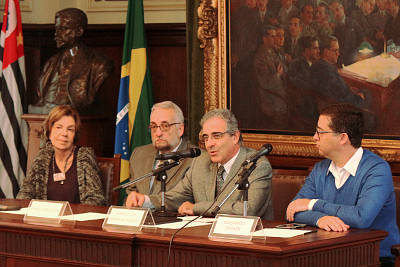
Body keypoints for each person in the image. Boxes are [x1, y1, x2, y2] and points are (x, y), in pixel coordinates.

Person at [286, 103, 400, 266]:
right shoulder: (320, 169)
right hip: (328, 256)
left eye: (320, 132)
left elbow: (361, 218)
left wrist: (313, 204)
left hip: (374, 258)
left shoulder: (377, 169)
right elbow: (293, 211)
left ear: (343, 138)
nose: (314, 137)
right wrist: (320, 219)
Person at [126, 109, 273, 219]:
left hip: (248, 244)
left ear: (235, 137)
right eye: (206, 138)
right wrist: (146, 200)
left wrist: (196, 208)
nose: (210, 144)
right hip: (205, 240)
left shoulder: (258, 165)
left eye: (217, 136)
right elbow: (178, 195)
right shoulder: (201, 162)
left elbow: (248, 209)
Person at [29, 8, 113, 114]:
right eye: (56, 29)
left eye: (63, 29)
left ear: (79, 31)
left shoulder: (99, 64)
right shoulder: (51, 63)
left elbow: (85, 100)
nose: (56, 34)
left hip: (78, 120)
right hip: (44, 119)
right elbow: (40, 95)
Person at [17, 105, 105, 205]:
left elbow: (97, 199)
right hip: (45, 218)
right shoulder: (43, 157)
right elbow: (24, 194)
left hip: (75, 219)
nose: (64, 133)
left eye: (70, 129)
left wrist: (71, 216)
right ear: (49, 132)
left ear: (75, 135)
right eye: (59, 127)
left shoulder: (85, 156)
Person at [125, 101, 196, 196]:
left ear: (180, 130)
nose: (158, 133)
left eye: (165, 126)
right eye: (154, 126)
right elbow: (131, 193)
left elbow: (187, 199)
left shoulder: (195, 159)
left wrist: (148, 202)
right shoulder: (139, 155)